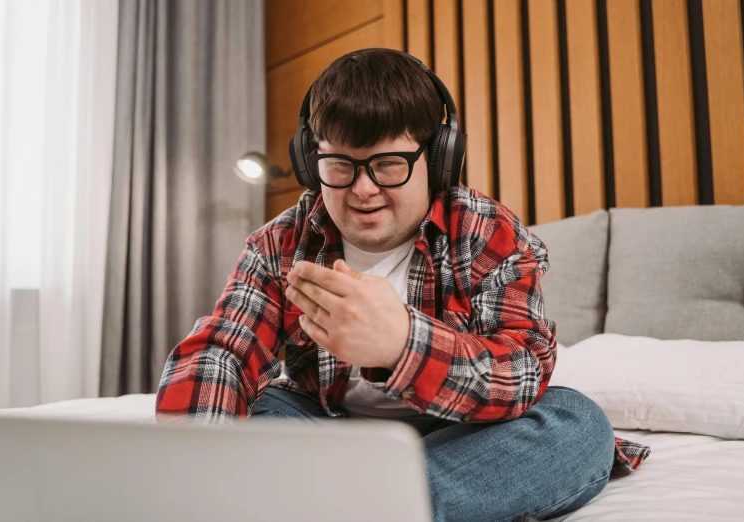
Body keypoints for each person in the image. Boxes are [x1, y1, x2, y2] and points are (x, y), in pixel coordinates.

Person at [156, 48, 650, 521]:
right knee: (251, 404)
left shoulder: (485, 231)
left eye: (388, 164)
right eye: (340, 166)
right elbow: (223, 351)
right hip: (330, 431)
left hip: (463, 436)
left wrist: (401, 345)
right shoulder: (281, 240)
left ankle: (342, 505)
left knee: (577, 424)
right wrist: (202, 468)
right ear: (312, 163)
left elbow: (522, 371)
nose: (363, 188)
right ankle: (380, 505)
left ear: (436, 159)